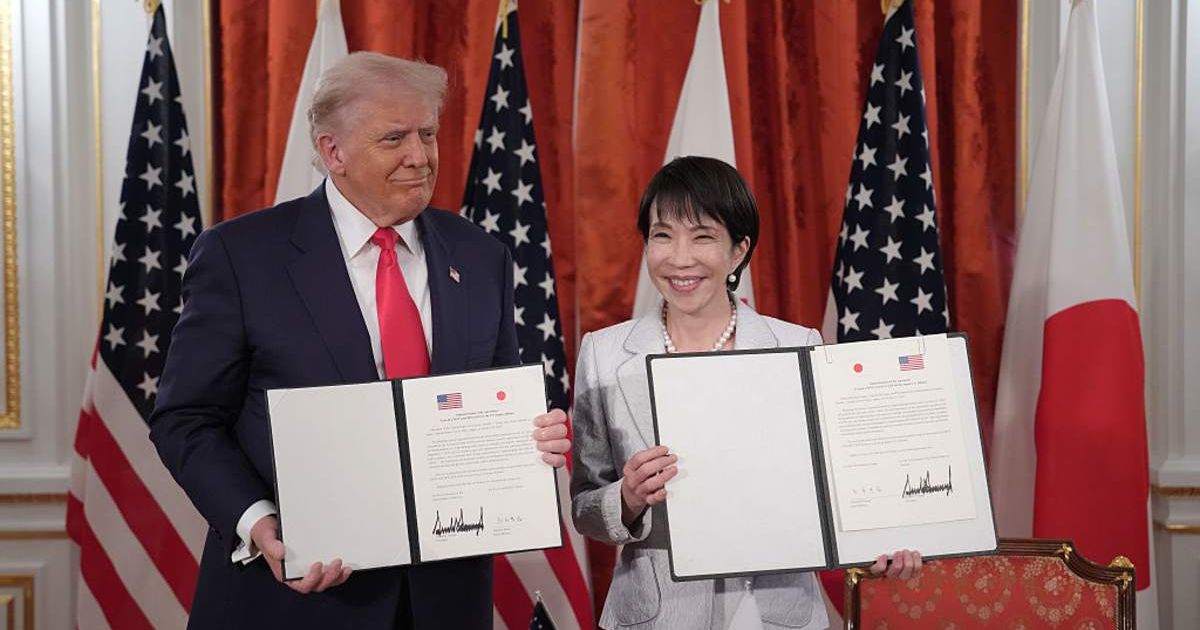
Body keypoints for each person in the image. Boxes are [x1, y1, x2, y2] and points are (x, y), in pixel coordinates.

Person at [149, 52, 570, 629]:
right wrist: (258, 523)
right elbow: (185, 418)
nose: (419, 157)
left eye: (427, 133)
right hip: (294, 600)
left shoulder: (480, 256)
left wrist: (531, 435)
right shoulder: (242, 256)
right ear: (333, 152)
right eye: (393, 138)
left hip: (445, 601)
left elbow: (492, 403)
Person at [570, 156, 921, 630]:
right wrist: (628, 498)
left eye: (703, 236)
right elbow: (585, 505)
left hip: (776, 611)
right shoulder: (605, 353)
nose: (679, 257)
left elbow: (837, 489)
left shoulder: (800, 347)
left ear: (739, 251)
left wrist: (880, 539)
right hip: (655, 616)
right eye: (662, 235)